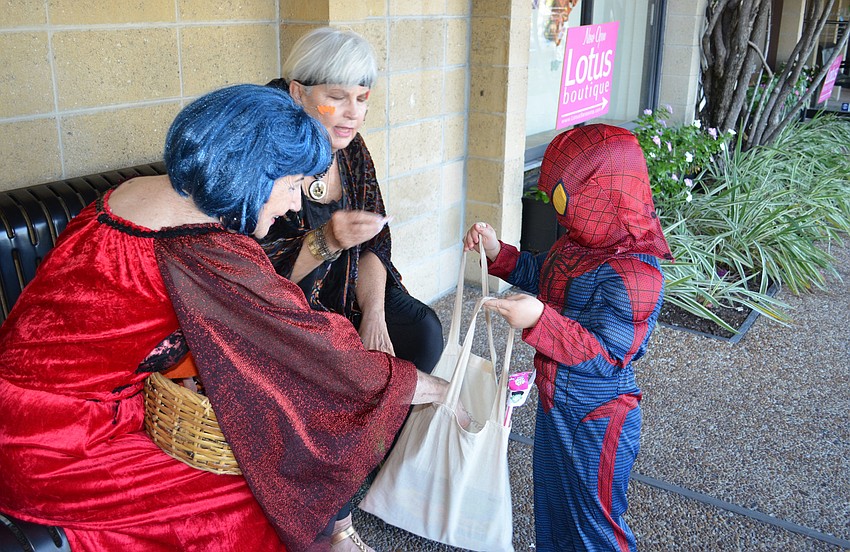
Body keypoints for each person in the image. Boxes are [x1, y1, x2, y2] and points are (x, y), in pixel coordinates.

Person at [0, 84, 458, 552]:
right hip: (57, 444)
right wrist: (440, 389)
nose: (296, 204)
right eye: (292, 184)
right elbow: (318, 351)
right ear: (250, 176)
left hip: (29, 411)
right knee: (252, 502)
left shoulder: (137, 194)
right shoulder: (199, 248)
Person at [463, 124, 673, 551]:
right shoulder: (579, 244)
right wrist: (495, 252)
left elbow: (607, 355)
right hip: (556, 402)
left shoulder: (636, 275)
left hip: (597, 415)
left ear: (606, 194)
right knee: (554, 509)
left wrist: (539, 319)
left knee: (594, 523)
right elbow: (543, 275)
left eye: (566, 200)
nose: (561, 213)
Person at [261, 27, 444, 377]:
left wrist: (374, 316)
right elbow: (258, 278)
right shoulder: (270, 154)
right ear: (298, 93)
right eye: (337, 97)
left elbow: (375, 241)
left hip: (349, 288)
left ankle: (384, 429)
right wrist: (327, 241)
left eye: (362, 98)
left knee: (422, 332)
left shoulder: (352, 148)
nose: (353, 114)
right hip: (286, 312)